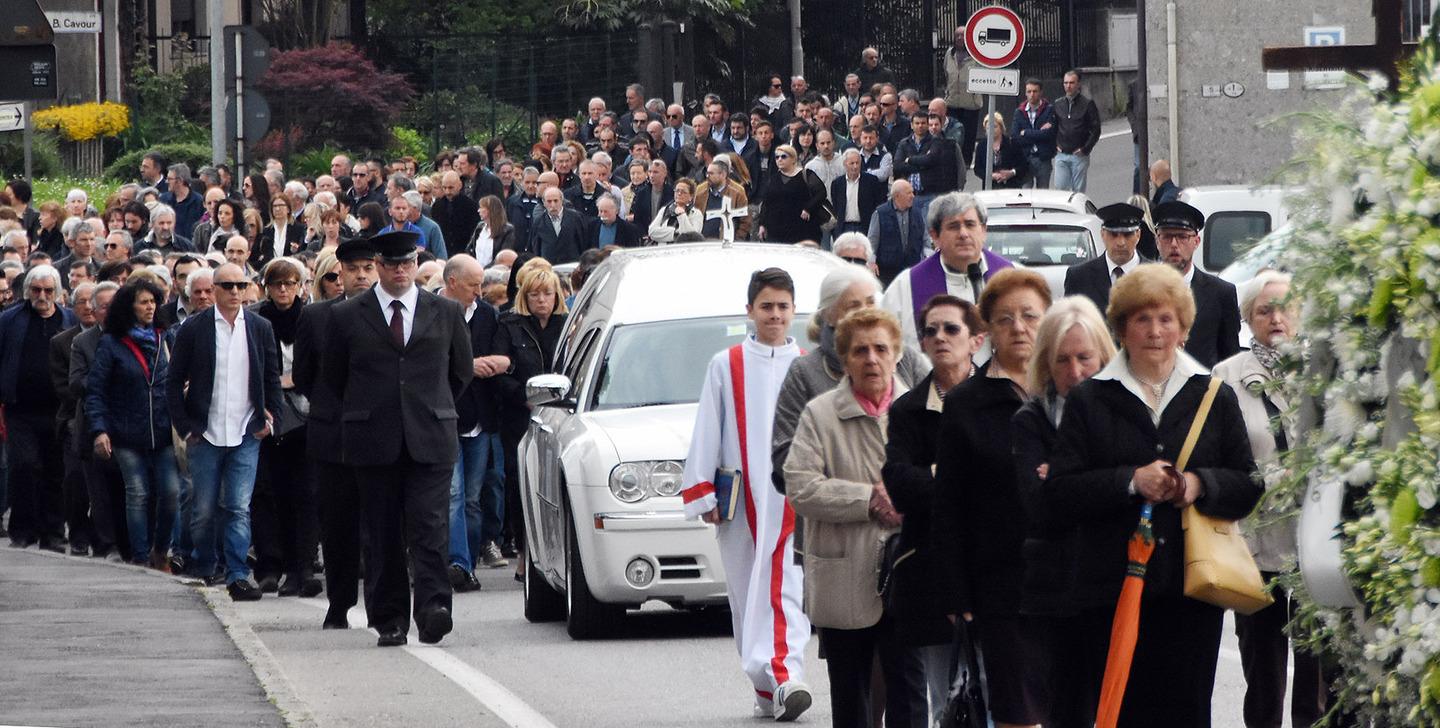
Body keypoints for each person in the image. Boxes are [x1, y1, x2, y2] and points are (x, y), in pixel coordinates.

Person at [1047, 263, 1261, 727]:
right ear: (1121, 327)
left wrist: (1198, 484)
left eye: (1166, 318)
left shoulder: (1213, 395)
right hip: (1109, 590)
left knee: (1186, 714)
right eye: (1141, 319)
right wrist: (1130, 480)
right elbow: (1060, 493)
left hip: (1190, 592)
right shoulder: (1090, 398)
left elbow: (1248, 485)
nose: (1155, 331)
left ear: (1184, 328)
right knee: (1117, 712)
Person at [321, 231, 474, 647]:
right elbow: (334, 378)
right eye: (391, 265)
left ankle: (433, 609)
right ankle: (389, 618)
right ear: (379, 267)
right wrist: (370, 408)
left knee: (429, 526)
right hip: (373, 436)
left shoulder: (444, 311)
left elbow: (460, 373)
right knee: (383, 531)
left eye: (408, 263)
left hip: (430, 433)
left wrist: (429, 406)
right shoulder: (348, 316)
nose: (401, 271)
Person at [680, 268, 812, 721]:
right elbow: (708, 427)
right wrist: (703, 492)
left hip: (796, 500)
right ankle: (766, 687)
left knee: (785, 588)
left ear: (795, 310)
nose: (775, 316)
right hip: (742, 502)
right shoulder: (727, 364)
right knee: (745, 592)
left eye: (783, 307)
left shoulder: (809, 363)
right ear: (750, 310)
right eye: (766, 307)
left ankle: (785, 673)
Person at [784, 306, 925, 727]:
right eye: (860, 350)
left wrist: (908, 495)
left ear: (897, 354)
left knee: (912, 695)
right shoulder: (819, 415)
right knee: (850, 698)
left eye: (881, 349)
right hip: (843, 577)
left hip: (908, 572)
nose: (871, 359)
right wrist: (867, 499)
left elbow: (949, 477)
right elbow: (800, 486)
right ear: (844, 360)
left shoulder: (921, 410)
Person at [931, 268, 1051, 728]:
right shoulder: (967, 402)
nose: (1019, 327)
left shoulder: (1072, 390)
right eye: (1005, 319)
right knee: (1015, 710)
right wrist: (956, 590)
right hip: (1001, 584)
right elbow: (950, 505)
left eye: (1029, 316)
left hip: (1071, 580)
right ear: (987, 333)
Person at [1211, 271, 1328, 728]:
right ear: (1248, 320)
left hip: (1312, 545)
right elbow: (1217, 454)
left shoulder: (1321, 372)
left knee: (1316, 675)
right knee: (1262, 676)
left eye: (1284, 308)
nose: (1275, 319)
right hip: (1254, 546)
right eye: (1264, 311)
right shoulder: (1227, 376)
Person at [1010, 295, 1118, 727]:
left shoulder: (1124, 411)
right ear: (1046, 364)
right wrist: (1107, 479)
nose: (1075, 373)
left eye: (1085, 358)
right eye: (1063, 361)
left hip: (1113, 583)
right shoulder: (1031, 419)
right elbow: (1039, 506)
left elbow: (1130, 489)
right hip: (1055, 594)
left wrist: (1064, 477)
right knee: (1066, 711)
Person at [880, 294, 985, 718]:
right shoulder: (908, 409)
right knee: (948, 700)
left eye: (951, 328)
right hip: (933, 570)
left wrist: (939, 476)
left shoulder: (1002, 398)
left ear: (977, 340)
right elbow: (902, 486)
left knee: (1004, 695)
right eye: (930, 331)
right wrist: (961, 478)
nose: (939, 337)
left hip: (997, 569)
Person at [167, 263, 282, 599]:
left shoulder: (260, 327)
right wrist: (186, 427)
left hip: (246, 431)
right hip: (206, 432)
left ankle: (237, 574)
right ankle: (205, 565)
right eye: (227, 285)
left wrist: (269, 419)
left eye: (240, 285)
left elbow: (270, 376)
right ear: (214, 289)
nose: (234, 291)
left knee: (237, 506)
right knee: (203, 508)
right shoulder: (193, 328)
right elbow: (173, 382)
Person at [772, 266, 930, 499]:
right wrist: (864, 489)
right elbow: (786, 458)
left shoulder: (907, 361)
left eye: (870, 302)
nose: (864, 313)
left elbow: (936, 431)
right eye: (853, 306)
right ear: (829, 315)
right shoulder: (804, 372)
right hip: (834, 519)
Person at [293, 237, 378, 629]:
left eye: (368, 268)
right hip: (333, 435)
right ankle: (339, 603)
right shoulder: (316, 317)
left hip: (379, 434)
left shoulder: (390, 313)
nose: (361, 275)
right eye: (353, 269)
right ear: (338, 274)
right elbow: (307, 374)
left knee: (379, 524)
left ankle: (381, 604)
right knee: (337, 523)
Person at [86, 277, 178, 571]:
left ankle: (161, 549)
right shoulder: (112, 344)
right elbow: (96, 390)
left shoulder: (166, 338)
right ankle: (140, 557)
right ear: (130, 306)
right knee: (137, 492)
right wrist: (100, 430)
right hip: (126, 431)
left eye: (153, 301)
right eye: (143, 302)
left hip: (163, 430)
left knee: (171, 492)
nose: (150, 307)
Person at [247, 258, 321, 597]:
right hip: (266, 417)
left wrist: (293, 380)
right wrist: (274, 386)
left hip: (306, 419)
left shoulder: (313, 319)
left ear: (301, 286)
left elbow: (322, 366)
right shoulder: (256, 320)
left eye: (290, 283)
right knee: (265, 494)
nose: (283, 290)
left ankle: (302, 567)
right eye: (277, 284)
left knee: (304, 495)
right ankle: (269, 566)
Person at [440, 255, 511, 586]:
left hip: (480, 419)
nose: (479, 291)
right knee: (452, 494)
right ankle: (456, 562)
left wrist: (501, 360)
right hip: (447, 417)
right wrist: (468, 365)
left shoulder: (487, 315)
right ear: (452, 282)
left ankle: (465, 564)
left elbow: (501, 354)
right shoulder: (433, 310)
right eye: (473, 285)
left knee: (472, 497)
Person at [493, 267, 567, 579]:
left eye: (547, 294)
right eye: (534, 294)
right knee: (520, 483)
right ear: (525, 296)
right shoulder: (510, 325)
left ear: (556, 296)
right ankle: (525, 552)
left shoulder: (567, 326)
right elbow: (501, 371)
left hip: (561, 414)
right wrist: (524, 396)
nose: (541, 300)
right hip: (520, 416)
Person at [1, 265, 77, 551]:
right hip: (20, 409)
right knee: (23, 465)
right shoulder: (9, 321)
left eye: (47, 290)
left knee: (56, 471)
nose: (42, 296)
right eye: (36, 290)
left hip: (59, 410)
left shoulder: (69, 320)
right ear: (27, 291)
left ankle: (53, 533)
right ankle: (22, 529)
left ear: (57, 293)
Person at [882, 191, 1014, 351]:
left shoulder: (1014, 278)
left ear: (984, 230)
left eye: (970, 224)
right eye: (953, 226)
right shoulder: (906, 286)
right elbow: (885, 346)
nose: (963, 234)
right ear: (935, 236)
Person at [1152, 201, 1240, 367]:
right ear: (1157, 241)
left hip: (1203, 389)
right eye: (1167, 237)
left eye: (1182, 237)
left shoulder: (1221, 293)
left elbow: (1230, 358)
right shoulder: (1141, 289)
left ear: (1196, 241)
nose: (1174, 244)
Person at [1064, 202, 1152, 312]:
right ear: (1102, 234)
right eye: (1113, 235)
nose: (1120, 242)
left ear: (1138, 235)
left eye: (1127, 235)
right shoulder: (1079, 277)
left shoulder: (1155, 276)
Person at [757, 145, 827, 244]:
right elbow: (766, 203)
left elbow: (821, 193)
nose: (779, 159)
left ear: (793, 159)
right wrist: (762, 224)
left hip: (802, 230)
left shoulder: (806, 175)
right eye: (777, 157)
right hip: (776, 231)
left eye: (783, 156)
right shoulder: (773, 179)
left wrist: (808, 208)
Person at [1052, 70, 1102, 193]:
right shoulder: (1058, 104)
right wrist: (1054, 145)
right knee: (1060, 189)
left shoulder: (1087, 104)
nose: (1068, 86)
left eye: (1071, 83)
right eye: (1066, 83)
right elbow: (1053, 126)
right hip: (1061, 154)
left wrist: (1085, 149)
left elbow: (1096, 129)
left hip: (1078, 155)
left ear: (1078, 84)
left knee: (1078, 191)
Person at [943, 27, 985, 166]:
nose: (960, 38)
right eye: (957, 35)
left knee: (969, 135)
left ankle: (966, 162)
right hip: (952, 102)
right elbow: (946, 74)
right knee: (953, 133)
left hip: (971, 103)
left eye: (963, 35)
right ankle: (953, 159)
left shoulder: (976, 54)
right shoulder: (949, 54)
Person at [1011, 80, 1058, 190]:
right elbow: (1015, 137)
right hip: (1025, 158)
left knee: (1042, 193)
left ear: (1041, 92)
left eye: (1035, 91)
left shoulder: (1049, 110)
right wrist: (1038, 135)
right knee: (1025, 193)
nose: (1032, 94)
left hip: (1043, 158)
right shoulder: (1019, 112)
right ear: (1025, 93)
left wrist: (1026, 133)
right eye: (1029, 91)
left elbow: (1048, 135)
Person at [831, 149, 885, 236]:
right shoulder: (837, 183)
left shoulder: (871, 181)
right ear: (845, 164)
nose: (855, 166)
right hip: (844, 227)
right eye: (852, 163)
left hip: (865, 227)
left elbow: (878, 204)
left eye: (857, 163)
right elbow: (836, 206)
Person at [528, 187, 588, 264]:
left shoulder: (576, 218)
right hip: (548, 267)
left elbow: (583, 242)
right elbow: (535, 248)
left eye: (556, 201)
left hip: (571, 266)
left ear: (561, 201)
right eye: (549, 201)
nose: (553, 205)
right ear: (544, 202)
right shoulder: (539, 221)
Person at [695, 161, 752, 241]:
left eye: (711, 173)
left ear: (723, 175)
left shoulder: (737, 192)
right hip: (704, 241)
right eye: (707, 173)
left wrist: (738, 238)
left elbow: (745, 220)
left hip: (727, 241)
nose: (707, 176)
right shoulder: (700, 190)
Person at [974, 112, 1029, 189]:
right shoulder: (981, 145)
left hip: (1011, 187)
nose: (991, 130)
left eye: (995, 127)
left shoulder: (1012, 143)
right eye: (988, 127)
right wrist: (990, 175)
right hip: (990, 187)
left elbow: (1024, 165)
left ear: (1001, 127)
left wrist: (1011, 173)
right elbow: (977, 169)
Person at [648, 178, 704, 244]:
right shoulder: (665, 210)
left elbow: (692, 237)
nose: (679, 193)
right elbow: (652, 231)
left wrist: (682, 215)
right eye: (677, 191)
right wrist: (675, 233)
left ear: (691, 196)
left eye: (683, 192)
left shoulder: (696, 213)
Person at [257, 196, 306, 270]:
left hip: (291, 268)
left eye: (281, 205)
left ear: (288, 209)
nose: (277, 209)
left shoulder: (298, 228)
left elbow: (302, 250)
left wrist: (295, 250)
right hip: (271, 269)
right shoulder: (266, 231)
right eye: (274, 206)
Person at [468, 195, 516, 265]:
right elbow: (470, 249)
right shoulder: (479, 227)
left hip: (495, 272)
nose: (478, 210)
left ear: (490, 210)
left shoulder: (507, 230)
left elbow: (503, 256)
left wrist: (487, 270)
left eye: (481, 208)